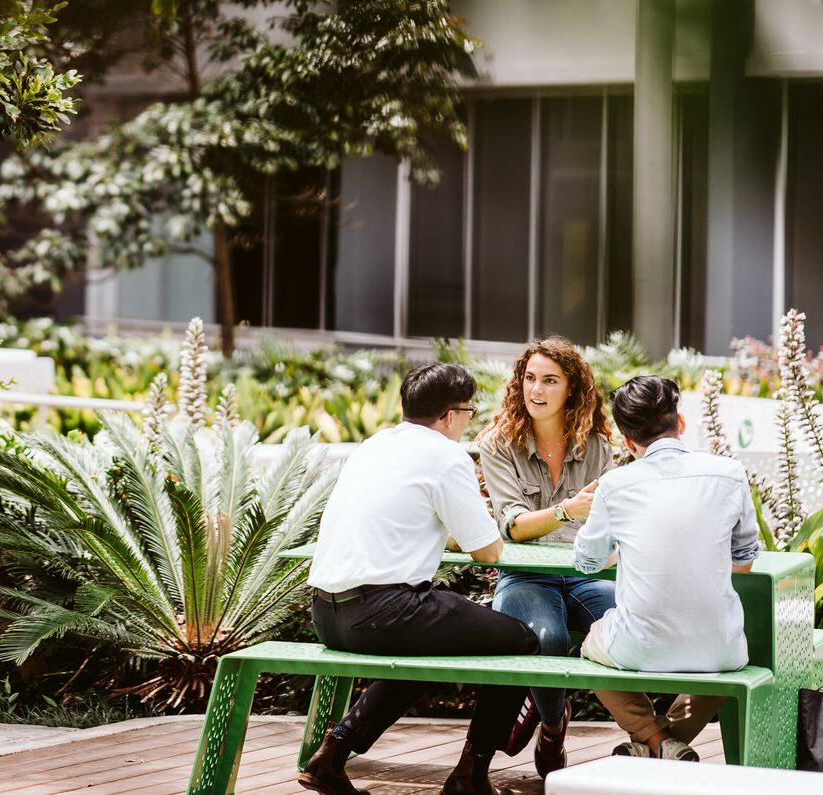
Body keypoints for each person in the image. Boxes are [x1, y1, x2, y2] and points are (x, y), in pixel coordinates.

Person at [299, 363, 540, 795]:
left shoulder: (375, 445)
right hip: (383, 612)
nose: (469, 422)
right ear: (450, 415)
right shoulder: (446, 455)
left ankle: (332, 754)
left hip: (326, 613)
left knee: (428, 649)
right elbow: (488, 551)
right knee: (522, 641)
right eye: (469, 411)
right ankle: (471, 775)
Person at [573, 374, 761, 760]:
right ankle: (666, 744)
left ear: (627, 441)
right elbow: (743, 561)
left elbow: (588, 562)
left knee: (590, 643)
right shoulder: (730, 474)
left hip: (638, 648)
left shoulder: (615, 484)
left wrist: (622, 551)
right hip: (722, 649)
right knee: (722, 659)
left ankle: (652, 740)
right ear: (681, 423)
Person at [476, 336, 617, 776]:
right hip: (525, 574)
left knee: (628, 625)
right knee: (547, 640)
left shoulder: (598, 447)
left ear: (572, 389)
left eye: (550, 381)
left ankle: (648, 745)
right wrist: (566, 510)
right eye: (530, 379)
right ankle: (554, 727)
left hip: (583, 574)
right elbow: (513, 525)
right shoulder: (498, 444)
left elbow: (611, 525)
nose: (536, 390)